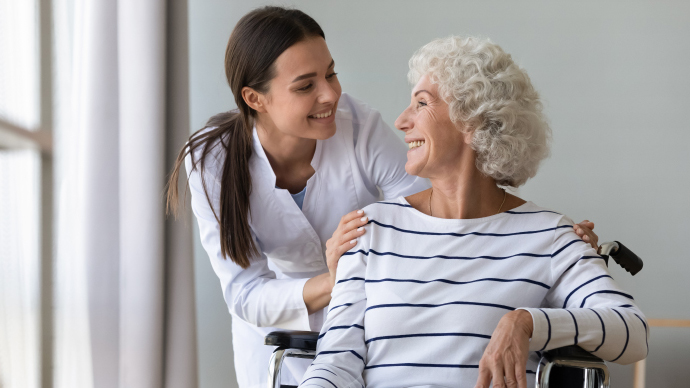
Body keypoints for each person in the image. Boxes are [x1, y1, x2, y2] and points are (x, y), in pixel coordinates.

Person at [166, 7, 599, 387]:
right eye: (305, 86)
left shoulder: (359, 126)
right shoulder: (210, 162)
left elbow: (438, 212)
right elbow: (245, 294)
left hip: (374, 315)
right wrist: (334, 281)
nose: (331, 94)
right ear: (254, 98)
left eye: (331, 73)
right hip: (280, 330)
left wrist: (549, 247)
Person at [300, 36, 647, 388]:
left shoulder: (549, 236)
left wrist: (528, 323)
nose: (402, 121)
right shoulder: (370, 228)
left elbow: (632, 333)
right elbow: (335, 364)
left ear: (474, 121)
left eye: (421, 103)